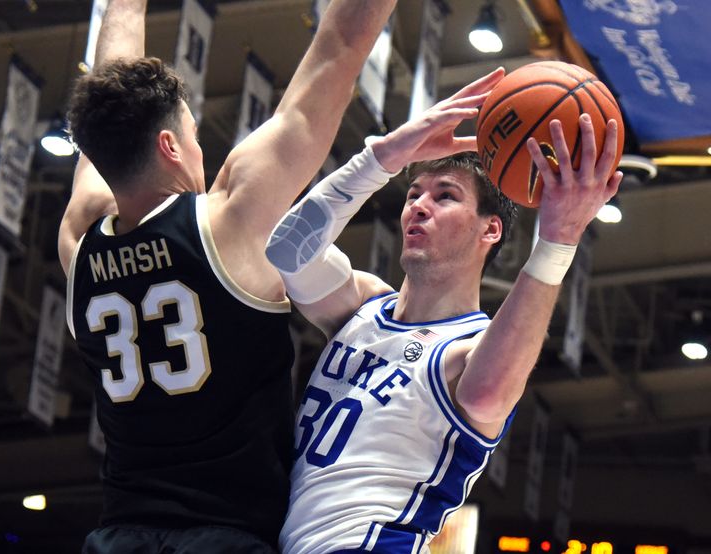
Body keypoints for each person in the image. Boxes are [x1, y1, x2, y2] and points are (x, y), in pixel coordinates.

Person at [56, 0, 397, 551]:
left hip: (119, 536)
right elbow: (339, 49)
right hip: (227, 536)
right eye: (192, 134)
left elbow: (108, 103)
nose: (199, 147)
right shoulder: (230, 222)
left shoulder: (81, 239)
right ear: (169, 146)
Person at [266, 85, 623, 552]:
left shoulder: (468, 349)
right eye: (413, 193)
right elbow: (288, 251)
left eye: (445, 196)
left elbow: (489, 391)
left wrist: (557, 241)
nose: (419, 204)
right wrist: (383, 158)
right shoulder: (363, 307)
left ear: (489, 229)